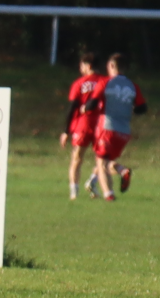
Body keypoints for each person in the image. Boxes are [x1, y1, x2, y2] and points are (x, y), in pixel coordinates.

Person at [85, 53, 146, 202]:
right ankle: (118, 172)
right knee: (106, 163)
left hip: (107, 127)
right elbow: (142, 108)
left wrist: (84, 108)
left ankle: (109, 195)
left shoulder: (105, 82)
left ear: (112, 66)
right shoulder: (133, 86)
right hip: (124, 131)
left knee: (101, 162)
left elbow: (92, 104)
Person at [59, 51, 106, 200]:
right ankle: (93, 180)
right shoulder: (106, 82)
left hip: (83, 124)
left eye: (82, 65)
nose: (80, 68)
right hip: (102, 124)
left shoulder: (79, 83)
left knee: (77, 158)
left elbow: (73, 107)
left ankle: (74, 192)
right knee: (104, 157)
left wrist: (66, 131)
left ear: (88, 65)